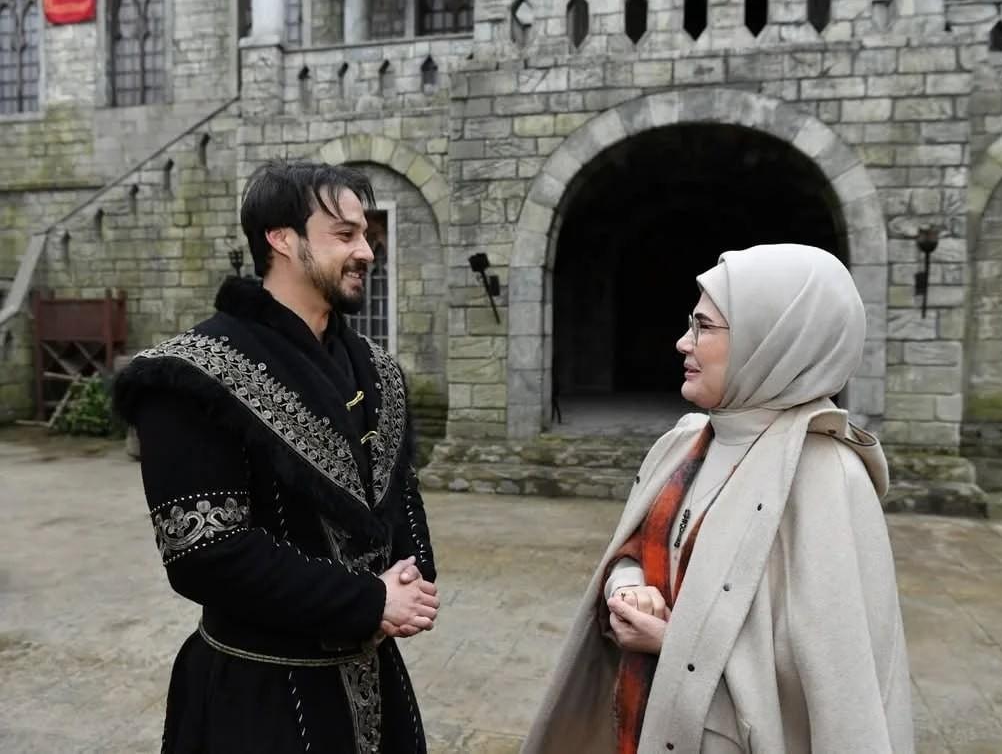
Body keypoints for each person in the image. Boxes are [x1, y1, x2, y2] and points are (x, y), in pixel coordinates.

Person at [522, 244, 913, 753]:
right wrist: (628, 587)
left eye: (704, 326)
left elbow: (832, 694)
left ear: (771, 341)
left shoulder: (826, 479)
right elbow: (638, 549)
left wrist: (670, 644)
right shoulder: (685, 442)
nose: (683, 342)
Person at [114, 160, 439, 754]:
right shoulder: (189, 375)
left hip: (379, 685)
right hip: (264, 698)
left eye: (367, 235)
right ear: (282, 239)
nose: (367, 251)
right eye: (345, 234)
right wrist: (371, 600)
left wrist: (410, 586)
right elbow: (206, 555)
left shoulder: (378, 369)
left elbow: (399, 497)